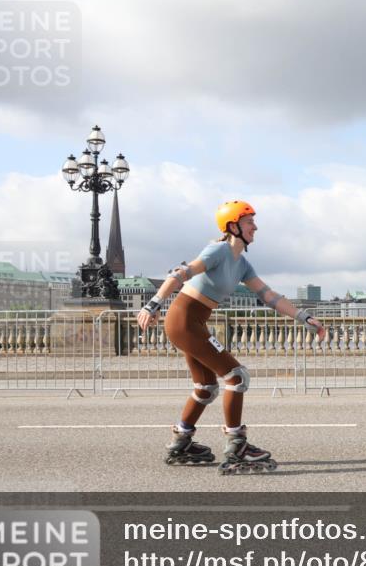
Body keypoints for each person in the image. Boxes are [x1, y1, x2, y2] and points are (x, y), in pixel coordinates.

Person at [136, 200, 326, 475]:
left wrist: (304, 317)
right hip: (183, 320)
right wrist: (152, 303)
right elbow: (181, 273)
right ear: (234, 225)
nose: (255, 227)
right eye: (250, 222)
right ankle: (237, 445)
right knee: (237, 377)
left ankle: (181, 441)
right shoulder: (218, 250)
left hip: (194, 322)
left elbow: (268, 295)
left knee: (206, 386)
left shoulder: (242, 264)